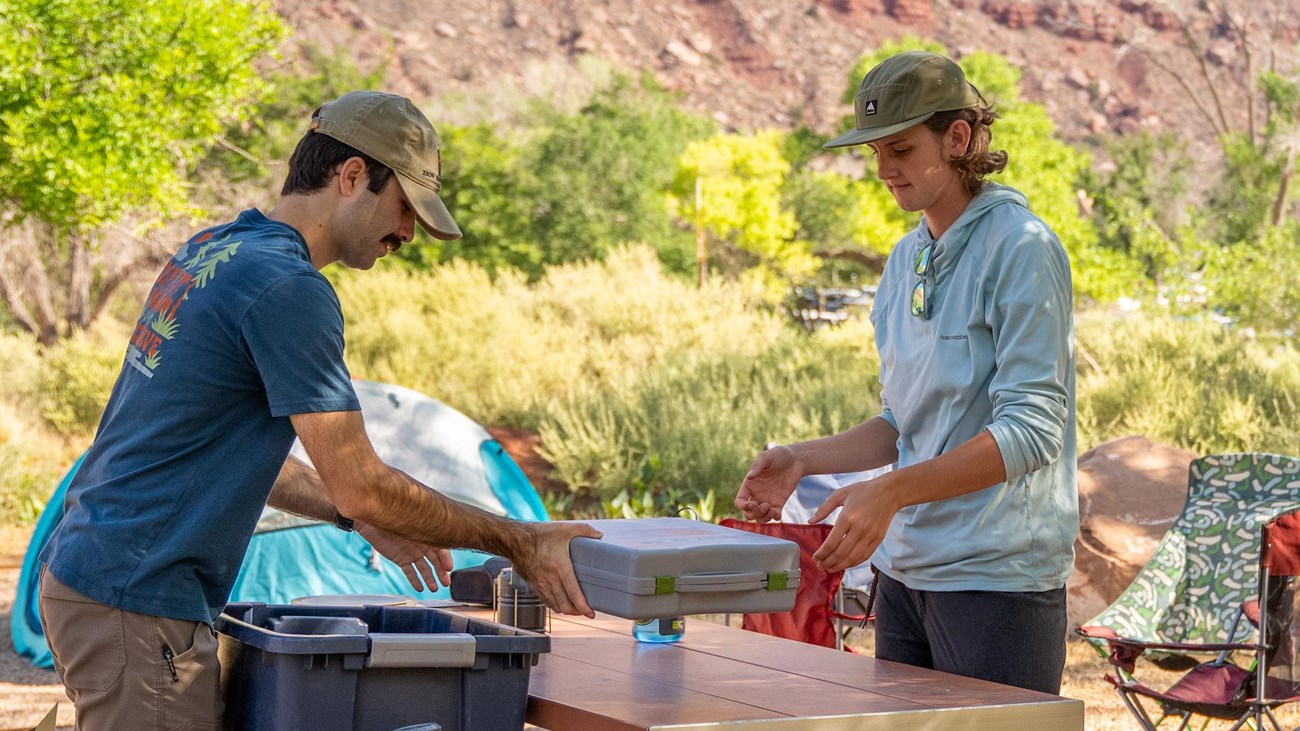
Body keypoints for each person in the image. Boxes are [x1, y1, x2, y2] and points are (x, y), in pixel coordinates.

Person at [37, 91, 602, 729]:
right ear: (353, 175)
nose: (408, 233)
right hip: (137, 600)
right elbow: (363, 482)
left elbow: (230, 458)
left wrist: (351, 515)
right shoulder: (289, 288)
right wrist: (520, 539)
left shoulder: (215, 251)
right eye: (404, 207)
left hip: (97, 575)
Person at [735, 51, 1078, 694]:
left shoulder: (1021, 247)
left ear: (958, 138)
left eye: (900, 147)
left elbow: (1033, 433)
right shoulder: (905, 257)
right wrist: (802, 460)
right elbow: (903, 421)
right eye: (874, 153)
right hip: (904, 577)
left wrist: (890, 493)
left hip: (996, 582)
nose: (885, 170)